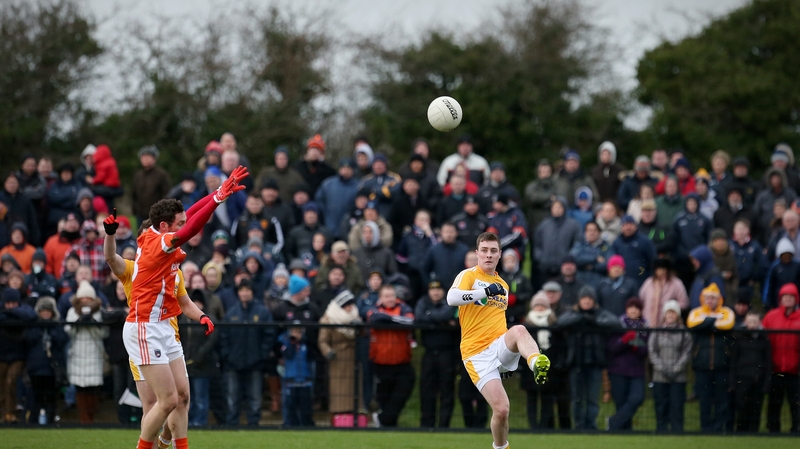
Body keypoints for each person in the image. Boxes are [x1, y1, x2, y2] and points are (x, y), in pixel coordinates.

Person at [121, 167, 244, 449]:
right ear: (164, 227)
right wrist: (217, 200)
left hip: (163, 325)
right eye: (176, 223)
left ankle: (172, 445)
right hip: (143, 327)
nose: (182, 226)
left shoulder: (161, 233)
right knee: (165, 402)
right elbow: (191, 228)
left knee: (182, 396)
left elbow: (187, 218)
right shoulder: (157, 243)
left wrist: (217, 193)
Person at [445, 232, 550, 449]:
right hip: (476, 353)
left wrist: (507, 357)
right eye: (484, 250)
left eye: (493, 251)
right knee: (502, 410)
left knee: (519, 329)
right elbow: (451, 298)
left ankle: (536, 363)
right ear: (477, 253)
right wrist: (483, 291)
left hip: (498, 344)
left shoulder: (502, 283)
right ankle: (501, 448)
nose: (488, 255)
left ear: (500, 254)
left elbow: (496, 319)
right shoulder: (469, 275)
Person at [557, 286, 619, 430]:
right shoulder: (573, 313)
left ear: (594, 301)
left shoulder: (599, 314)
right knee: (577, 399)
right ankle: (579, 425)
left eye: (590, 299)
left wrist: (594, 321)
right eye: (584, 298)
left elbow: (615, 322)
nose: (587, 301)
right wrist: (581, 317)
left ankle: (591, 425)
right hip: (576, 363)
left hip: (595, 363)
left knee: (592, 398)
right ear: (579, 300)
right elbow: (560, 322)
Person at [687, 283, 735, 432]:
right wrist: (713, 321)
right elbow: (692, 324)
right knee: (704, 399)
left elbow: (728, 324)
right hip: (701, 364)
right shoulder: (696, 312)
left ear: (719, 299)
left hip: (722, 364)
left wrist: (706, 323)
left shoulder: (727, 311)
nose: (710, 301)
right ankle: (706, 428)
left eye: (713, 298)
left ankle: (719, 427)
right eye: (707, 298)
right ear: (702, 298)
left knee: (722, 398)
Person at [367, 284, 416, 427]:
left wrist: (388, 319)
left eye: (392, 296)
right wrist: (394, 319)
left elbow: (409, 321)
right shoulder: (375, 310)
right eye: (386, 296)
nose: (389, 299)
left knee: (401, 394)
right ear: (380, 298)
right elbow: (374, 318)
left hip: (402, 362)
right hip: (381, 363)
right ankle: (389, 426)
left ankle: (382, 419)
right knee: (384, 398)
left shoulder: (404, 308)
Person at [415, 279, 459, 428]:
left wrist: (431, 318)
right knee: (426, 390)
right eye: (432, 289)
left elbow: (446, 315)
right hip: (428, 353)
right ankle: (427, 424)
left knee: (447, 390)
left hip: (447, 353)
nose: (435, 292)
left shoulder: (449, 302)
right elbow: (419, 318)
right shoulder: (423, 302)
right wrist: (441, 321)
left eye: (439, 289)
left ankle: (444, 425)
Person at [64, 281, 109, 424]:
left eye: (88, 298)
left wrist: (93, 323)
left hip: (94, 352)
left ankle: (91, 418)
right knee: (80, 389)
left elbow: (104, 333)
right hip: (77, 353)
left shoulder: (99, 311)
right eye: (83, 298)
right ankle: (84, 420)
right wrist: (78, 322)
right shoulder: (72, 311)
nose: (85, 301)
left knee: (93, 388)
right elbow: (68, 331)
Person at [318, 290, 363, 426]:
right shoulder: (328, 319)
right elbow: (322, 341)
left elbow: (362, 334)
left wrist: (360, 327)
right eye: (347, 305)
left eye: (351, 304)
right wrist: (328, 352)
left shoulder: (355, 317)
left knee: (355, 389)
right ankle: (337, 418)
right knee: (338, 390)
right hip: (337, 360)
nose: (350, 308)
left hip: (353, 358)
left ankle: (356, 416)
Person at [761, 282, 800, 433]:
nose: (788, 299)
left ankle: (796, 430)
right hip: (775, 369)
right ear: (780, 298)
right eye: (785, 296)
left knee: (795, 402)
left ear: (796, 298)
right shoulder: (771, 316)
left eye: (791, 296)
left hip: (794, 370)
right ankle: (773, 430)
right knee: (774, 402)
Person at [648, 300, 691, 433]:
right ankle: (661, 430)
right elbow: (652, 351)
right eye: (668, 312)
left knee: (677, 405)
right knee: (661, 405)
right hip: (659, 376)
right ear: (664, 315)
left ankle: (677, 431)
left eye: (673, 312)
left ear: (678, 315)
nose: (671, 315)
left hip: (678, 377)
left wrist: (675, 370)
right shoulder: (657, 331)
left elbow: (686, 352)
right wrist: (662, 369)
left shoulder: (684, 332)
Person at [24, 296, 68, 425]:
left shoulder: (57, 327)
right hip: (35, 369)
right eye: (43, 311)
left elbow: (62, 340)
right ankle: (33, 424)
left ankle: (49, 423)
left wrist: (51, 330)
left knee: (50, 399)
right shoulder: (33, 327)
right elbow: (28, 340)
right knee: (35, 399)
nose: (45, 313)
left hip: (52, 369)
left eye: (48, 311)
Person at [606, 298, 648, 431]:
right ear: (626, 309)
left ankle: (613, 422)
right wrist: (624, 340)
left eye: (637, 308)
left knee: (637, 398)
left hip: (637, 370)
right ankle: (624, 432)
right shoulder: (617, 325)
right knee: (621, 402)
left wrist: (637, 347)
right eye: (631, 307)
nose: (633, 310)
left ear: (641, 311)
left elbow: (646, 350)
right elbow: (612, 348)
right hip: (618, 369)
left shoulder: (645, 327)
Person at [730, 311, 771, 432]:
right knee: (742, 406)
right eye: (750, 322)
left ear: (759, 323)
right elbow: (733, 361)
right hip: (742, 378)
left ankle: (754, 432)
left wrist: (767, 382)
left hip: (759, 378)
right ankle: (740, 431)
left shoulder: (764, 339)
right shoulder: (739, 338)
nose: (752, 324)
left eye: (755, 321)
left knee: (756, 407)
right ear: (745, 323)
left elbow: (768, 362)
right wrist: (732, 381)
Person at [0, 288, 37, 423]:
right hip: (2, 354)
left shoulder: (25, 309)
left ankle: (10, 414)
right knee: (1, 385)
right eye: (8, 303)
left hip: (18, 355)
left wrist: (10, 313)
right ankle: (3, 414)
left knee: (10, 382)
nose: (10, 306)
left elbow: (31, 316)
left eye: (13, 303)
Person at [278, 322, 315, 427]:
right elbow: (288, 355)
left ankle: (306, 424)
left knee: (306, 405)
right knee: (290, 405)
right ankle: (291, 424)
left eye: (298, 332)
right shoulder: (285, 344)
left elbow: (312, 356)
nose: (296, 334)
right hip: (291, 380)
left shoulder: (306, 344)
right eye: (294, 331)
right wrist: (292, 343)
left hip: (305, 380)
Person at [638, 258, 689, 326]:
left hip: (667, 324)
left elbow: (684, 302)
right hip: (647, 323)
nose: (661, 271)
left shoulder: (676, 283)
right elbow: (641, 300)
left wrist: (671, 308)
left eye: (663, 269)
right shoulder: (649, 283)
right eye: (659, 269)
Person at [610, 215, 656, 288]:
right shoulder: (617, 242)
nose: (628, 227)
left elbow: (653, 260)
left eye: (630, 224)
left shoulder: (645, 241)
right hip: (622, 283)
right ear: (621, 227)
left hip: (642, 281)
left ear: (635, 226)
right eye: (625, 225)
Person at [132, 145, 172, 225]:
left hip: (156, 215)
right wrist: (135, 210)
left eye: (148, 156)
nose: (145, 158)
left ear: (154, 158)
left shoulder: (161, 175)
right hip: (140, 214)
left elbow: (167, 194)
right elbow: (134, 194)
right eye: (143, 156)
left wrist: (161, 211)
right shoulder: (138, 175)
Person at [570, 221, 612, 287]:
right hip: (581, 283)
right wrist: (595, 259)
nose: (592, 233)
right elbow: (574, 260)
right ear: (585, 233)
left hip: (600, 284)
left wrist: (590, 267)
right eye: (589, 230)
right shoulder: (579, 245)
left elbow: (609, 264)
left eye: (594, 230)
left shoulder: (606, 246)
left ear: (599, 232)